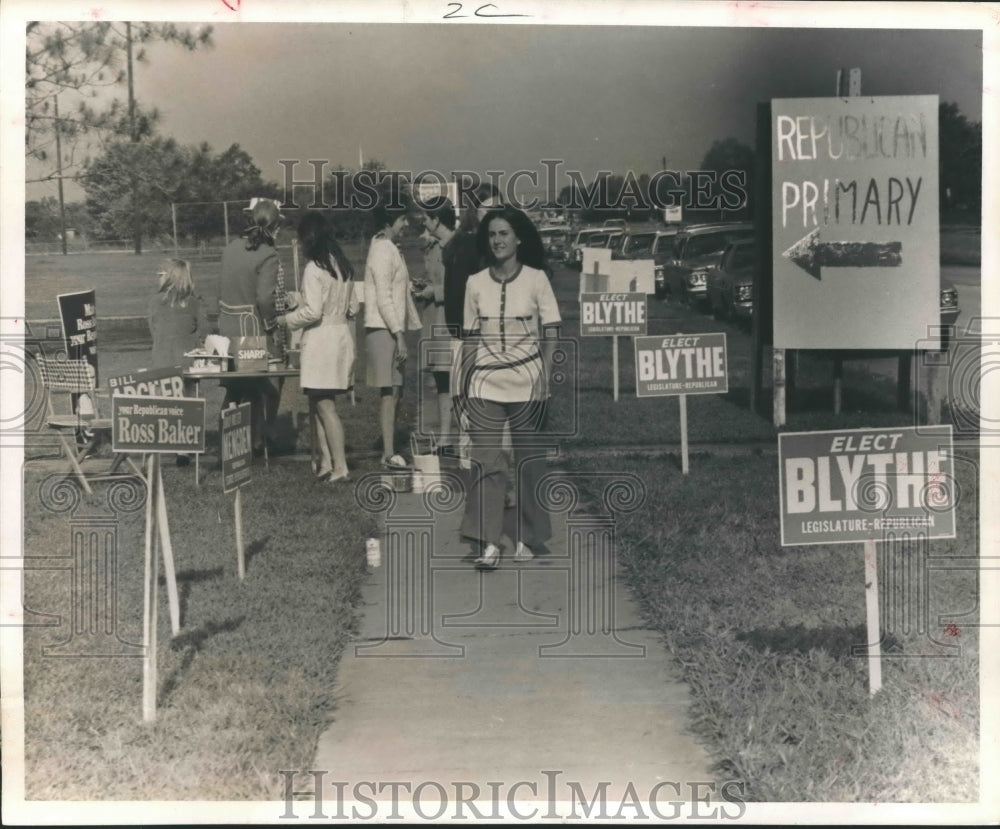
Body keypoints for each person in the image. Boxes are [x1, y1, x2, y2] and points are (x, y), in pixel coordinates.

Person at [458, 206, 562, 569]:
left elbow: (551, 333)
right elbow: (469, 341)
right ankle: (487, 541)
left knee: (528, 464)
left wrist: (544, 378)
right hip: (485, 385)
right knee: (486, 463)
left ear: (518, 238)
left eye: (504, 233)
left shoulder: (536, 280)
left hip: (528, 384)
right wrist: (463, 388)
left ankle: (529, 537)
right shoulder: (474, 283)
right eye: (492, 235)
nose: (498, 240)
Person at [277, 212, 357, 484]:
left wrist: (286, 319)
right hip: (340, 337)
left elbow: (312, 312)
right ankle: (325, 462)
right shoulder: (341, 265)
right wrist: (300, 300)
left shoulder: (314, 268)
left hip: (322, 341)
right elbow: (351, 306)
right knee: (317, 403)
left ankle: (341, 466)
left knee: (324, 406)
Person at [218, 197, 283, 456]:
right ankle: (254, 442)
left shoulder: (231, 247)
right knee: (255, 387)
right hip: (251, 328)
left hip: (227, 324)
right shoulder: (269, 254)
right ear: (275, 228)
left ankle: (232, 444)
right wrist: (272, 326)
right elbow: (265, 299)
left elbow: (219, 289)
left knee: (235, 388)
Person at [363, 197, 422, 469]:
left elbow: (396, 291)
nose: (406, 224)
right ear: (389, 222)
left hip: (390, 327)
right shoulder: (382, 249)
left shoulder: (388, 247)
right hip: (384, 329)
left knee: (396, 390)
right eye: (402, 219)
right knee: (390, 391)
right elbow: (384, 298)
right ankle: (388, 453)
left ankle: (389, 450)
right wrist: (399, 334)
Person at [147, 257, 209, 466]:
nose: (158, 277)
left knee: (164, 405)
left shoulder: (155, 302)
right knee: (186, 404)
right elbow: (204, 331)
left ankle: (160, 445)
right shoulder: (194, 302)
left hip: (161, 361)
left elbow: (153, 331)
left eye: (161, 274)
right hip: (187, 362)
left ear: (170, 277)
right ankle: (184, 448)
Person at [411, 199, 458, 447]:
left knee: (456, 379)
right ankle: (444, 437)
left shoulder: (455, 245)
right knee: (441, 379)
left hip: (449, 321)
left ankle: (465, 436)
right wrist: (422, 286)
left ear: (437, 219)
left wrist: (434, 292)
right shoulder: (432, 247)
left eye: (426, 218)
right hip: (434, 320)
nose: (423, 223)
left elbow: (461, 285)